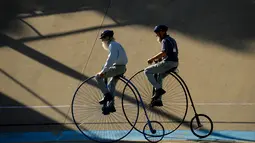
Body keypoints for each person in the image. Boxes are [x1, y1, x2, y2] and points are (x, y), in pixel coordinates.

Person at [144, 25, 179, 107]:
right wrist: (160, 60)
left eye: (158, 32)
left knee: (147, 71)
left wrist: (152, 59)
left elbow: (164, 53)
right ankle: (158, 100)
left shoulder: (165, 41)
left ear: (163, 31)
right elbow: (172, 53)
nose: (157, 35)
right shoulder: (172, 40)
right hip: (174, 64)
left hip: (168, 63)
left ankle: (158, 89)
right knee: (159, 76)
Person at [95, 30, 128, 114]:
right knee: (111, 84)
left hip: (117, 68)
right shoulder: (117, 44)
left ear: (108, 38)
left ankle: (106, 95)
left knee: (98, 77)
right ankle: (111, 105)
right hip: (122, 68)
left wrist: (103, 71)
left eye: (103, 39)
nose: (102, 41)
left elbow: (111, 59)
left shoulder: (112, 45)